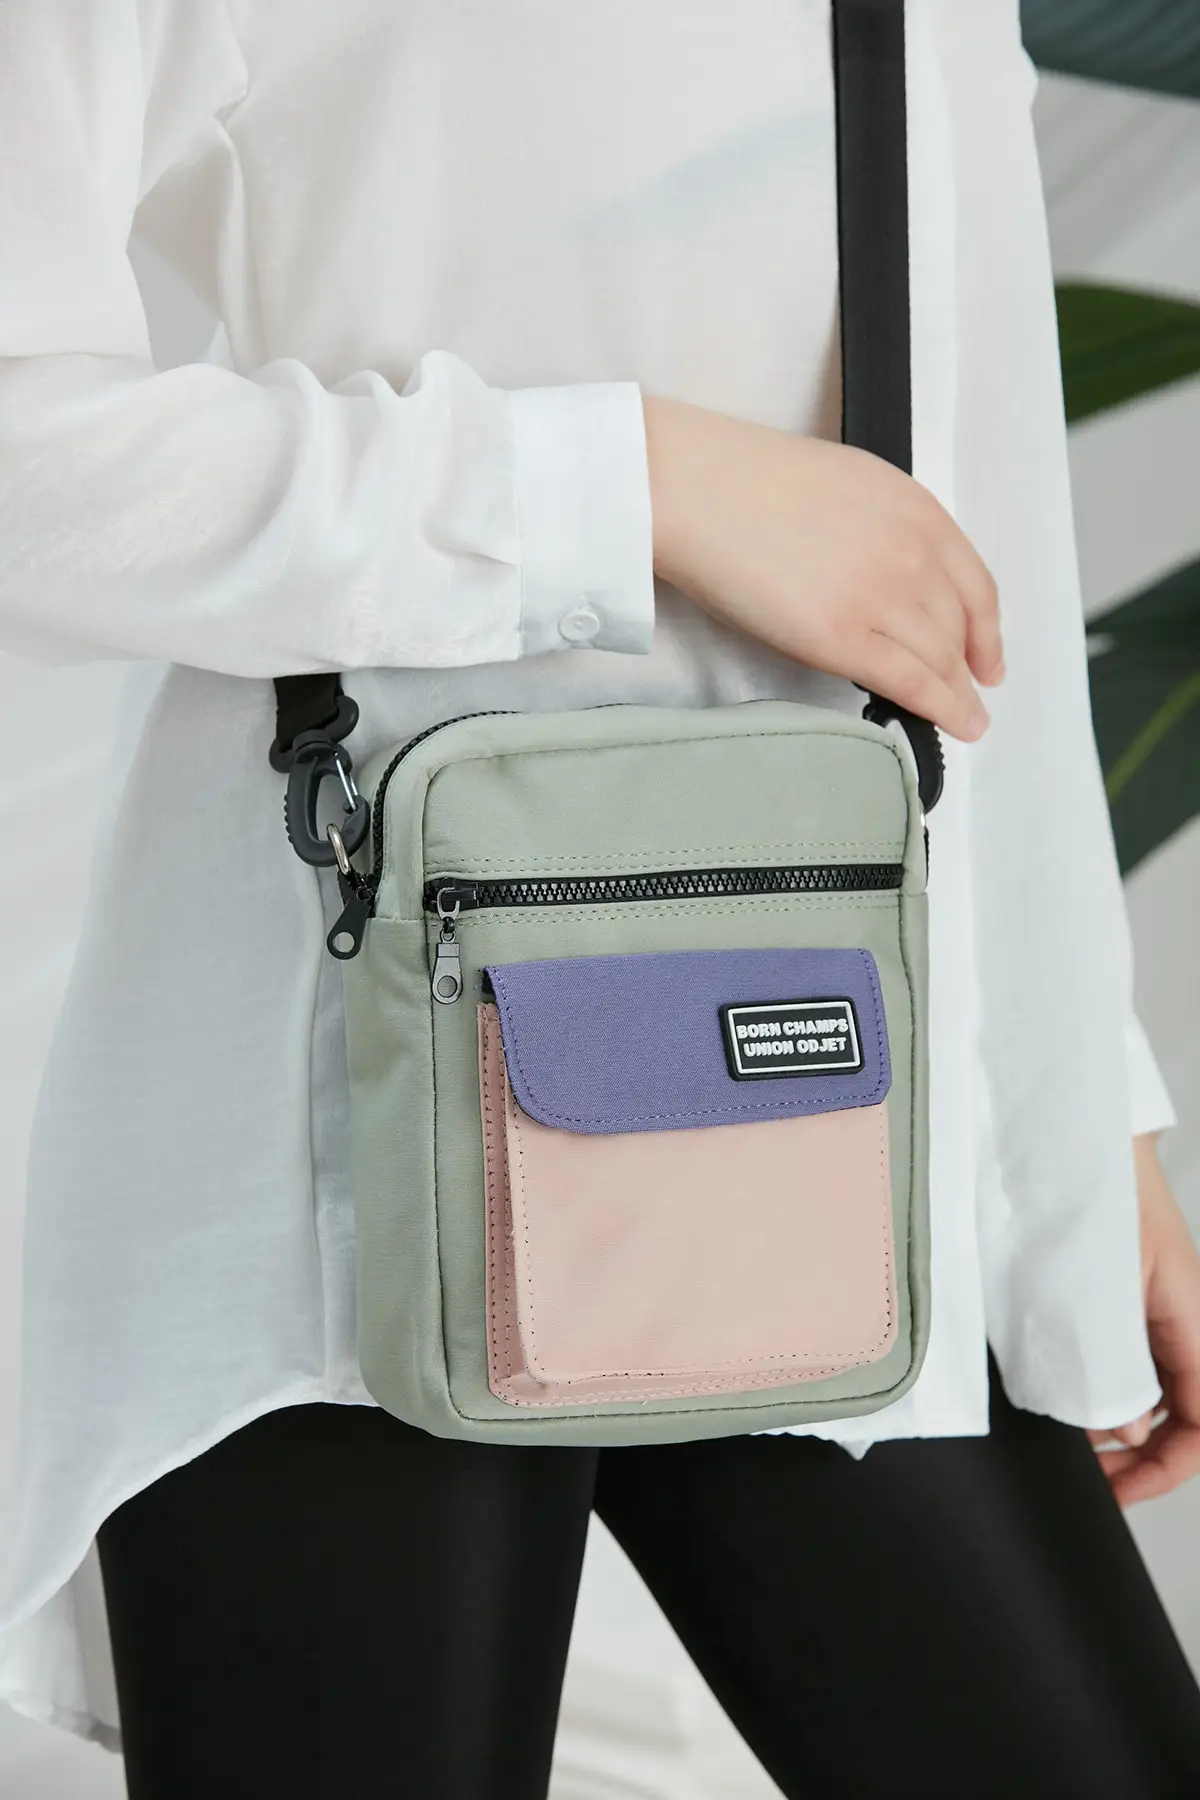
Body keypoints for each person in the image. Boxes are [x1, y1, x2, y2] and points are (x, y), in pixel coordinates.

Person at [0, 2, 1198, 1796]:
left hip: (835, 1082)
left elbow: (971, 488)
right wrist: (629, 485)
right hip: (349, 1123)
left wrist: (1086, 1115)